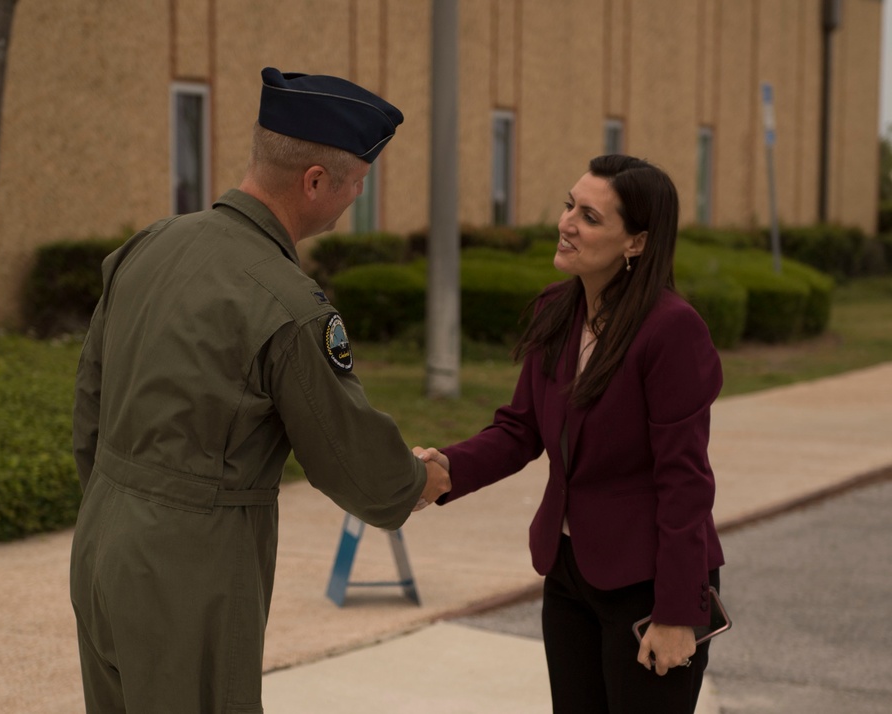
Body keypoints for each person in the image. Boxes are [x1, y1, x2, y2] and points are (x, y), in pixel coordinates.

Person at [70, 67, 451, 713]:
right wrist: (418, 482)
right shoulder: (288, 301)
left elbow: (89, 407)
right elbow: (344, 450)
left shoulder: (150, 245)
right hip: (192, 564)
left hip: (104, 535)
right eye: (356, 185)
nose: (353, 199)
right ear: (314, 182)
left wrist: (124, 509)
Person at [416, 155, 724, 713]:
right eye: (568, 206)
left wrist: (679, 612)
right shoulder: (557, 310)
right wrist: (444, 472)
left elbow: (685, 482)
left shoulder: (672, 331)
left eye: (589, 216)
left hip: (647, 584)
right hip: (569, 573)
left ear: (636, 243)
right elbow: (520, 429)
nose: (567, 223)